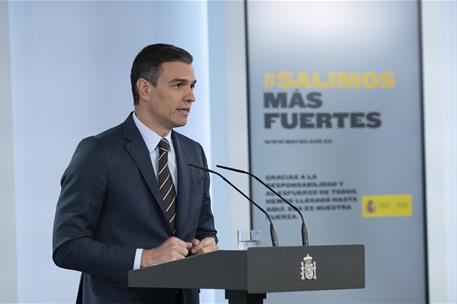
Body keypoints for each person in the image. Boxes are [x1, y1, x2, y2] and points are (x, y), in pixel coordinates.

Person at [52, 43, 218, 304]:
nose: (191, 96)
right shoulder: (98, 152)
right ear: (145, 89)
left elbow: (204, 229)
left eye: (192, 86)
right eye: (178, 85)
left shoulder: (193, 152)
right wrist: (145, 257)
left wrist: (207, 245)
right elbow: (67, 247)